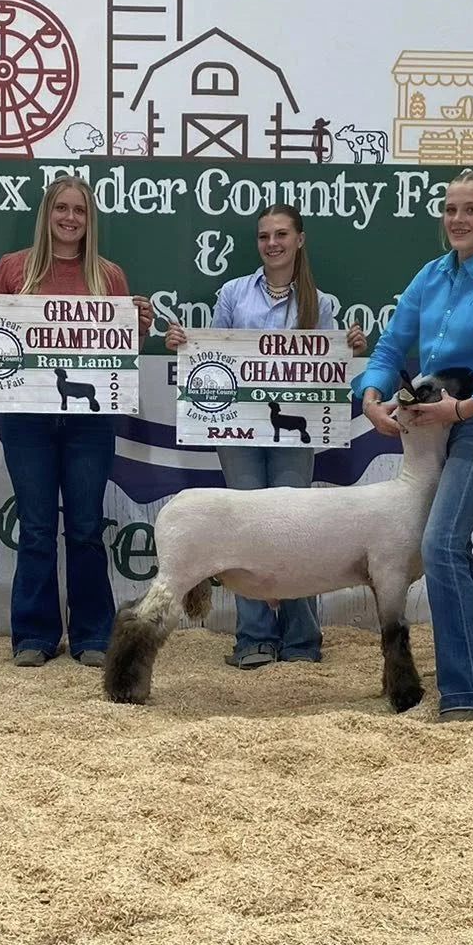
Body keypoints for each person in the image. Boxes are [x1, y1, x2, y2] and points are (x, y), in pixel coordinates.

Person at [352, 171, 473, 721]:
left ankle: (469, 694)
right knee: (449, 543)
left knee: (438, 543)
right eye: (449, 209)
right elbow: (391, 346)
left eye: (470, 210)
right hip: (429, 432)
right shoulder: (432, 276)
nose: (458, 219)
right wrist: (370, 395)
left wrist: (463, 409)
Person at [0, 177, 153, 669]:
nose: (70, 218)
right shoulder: (14, 269)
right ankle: (34, 634)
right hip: (25, 418)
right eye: (62, 208)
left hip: (91, 421)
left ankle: (93, 635)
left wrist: (136, 328)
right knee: (36, 526)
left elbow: (119, 353)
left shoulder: (109, 276)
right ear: (47, 214)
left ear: (89, 219)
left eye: (80, 210)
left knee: (83, 526)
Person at [163, 204, 367, 669]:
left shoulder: (324, 303)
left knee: (298, 529)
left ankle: (301, 639)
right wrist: (185, 344)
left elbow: (328, 373)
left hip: (296, 431)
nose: (271, 243)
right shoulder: (234, 293)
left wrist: (351, 348)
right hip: (237, 428)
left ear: (300, 239)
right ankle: (253, 638)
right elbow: (211, 355)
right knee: (243, 530)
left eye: (280, 234)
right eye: (263, 236)